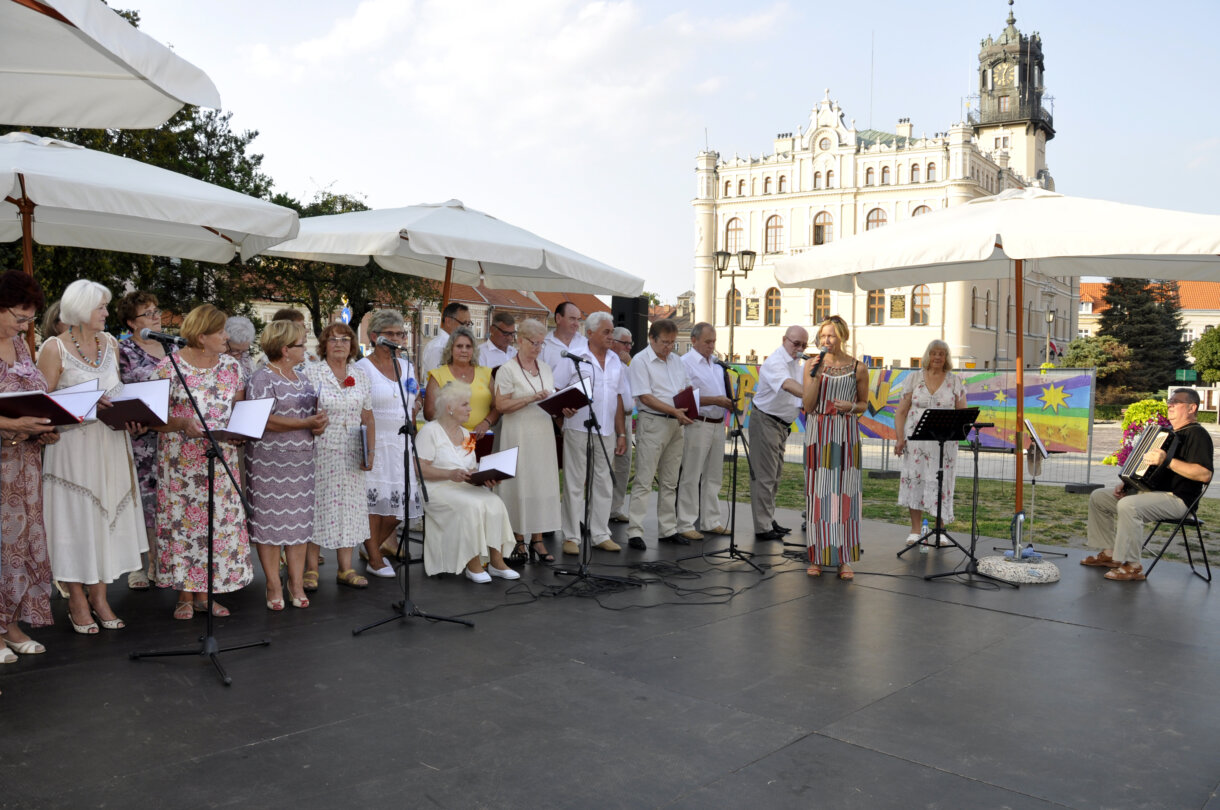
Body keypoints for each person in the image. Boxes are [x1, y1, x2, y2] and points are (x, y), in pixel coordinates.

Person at [39, 280, 147, 634]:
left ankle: (100, 597)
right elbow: (42, 408)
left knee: (104, 520)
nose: (106, 312)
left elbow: (117, 391)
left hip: (110, 442)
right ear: (81, 309)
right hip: (73, 448)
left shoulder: (111, 342)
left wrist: (133, 414)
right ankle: (77, 599)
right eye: (101, 306)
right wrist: (84, 403)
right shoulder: (53, 347)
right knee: (76, 522)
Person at [152, 304, 252, 620]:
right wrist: (182, 423)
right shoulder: (168, 367)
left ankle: (206, 595)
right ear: (201, 336)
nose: (226, 337)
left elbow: (238, 412)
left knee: (214, 527)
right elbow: (152, 418)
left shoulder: (232, 367)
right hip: (181, 465)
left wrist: (240, 433)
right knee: (185, 527)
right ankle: (184, 595)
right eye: (220, 331)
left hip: (220, 463)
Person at [1083, 388, 1214, 582]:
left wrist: (1167, 461)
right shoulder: (1168, 433)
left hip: (1178, 500)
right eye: (1170, 401)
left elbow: (1204, 474)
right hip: (1152, 494)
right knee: (1099, 497)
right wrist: (1127, 484)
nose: (1170, 404)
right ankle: (1110, 554)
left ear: (1192, 408)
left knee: (1129, 505)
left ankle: (1133, 566)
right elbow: (1149, 470)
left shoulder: (1198, 435)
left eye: (1176, 402)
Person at [245, 321, 327, 610]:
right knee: (269, 528)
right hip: (269, 464)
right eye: (301, 344)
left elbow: (311, 416)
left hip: (301, 463)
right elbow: (263, 420)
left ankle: (296, 583)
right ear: (284, 349)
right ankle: (273, 585)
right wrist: (304, 423)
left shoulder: (302, 378)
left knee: (298, 527)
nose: (306, 348)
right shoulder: (261, 379)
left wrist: (318, 424)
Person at [0, 270, 58, 657]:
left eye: (30, 319)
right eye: (20, 317)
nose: (24, 326)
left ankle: (9, 623)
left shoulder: (20, 345)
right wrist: (11, 424)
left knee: (16, 546)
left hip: (23, 464)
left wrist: (43, 429)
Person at [416, 381, 520, 583]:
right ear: (449, 408)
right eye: (465, 404)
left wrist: (484, 478)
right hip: (437, 489)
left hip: (463, 487)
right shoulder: (430, 431)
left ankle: (497, 562)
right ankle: (473, 565)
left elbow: (469, 468)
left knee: (495, 502)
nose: (470, 409)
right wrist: (449, 474)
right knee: (472, 507)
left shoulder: (466, 434)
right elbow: (419, 468)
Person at [302, 322, 376, 591]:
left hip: (353, 450)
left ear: (352, 345)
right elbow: (302, 414)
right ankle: (311, 568)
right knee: (317, 506)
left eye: (345, 340)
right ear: (324, 344)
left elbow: (368, 416)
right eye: (333, 339)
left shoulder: (360, 375)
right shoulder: (312, 373)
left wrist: (370, 451)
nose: (339, 344)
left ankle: (346, 568)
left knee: (350, 508)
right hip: (320, 449)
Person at [552, 311, 627, 555]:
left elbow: (617, 398)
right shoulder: (574, 357)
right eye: (606, 332)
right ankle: (571, 536)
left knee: (603, 483)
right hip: (577, 429)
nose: (611, 336)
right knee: (574, 483)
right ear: (591, 333)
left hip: (606, 431)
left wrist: (622, 434)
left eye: (612, 332)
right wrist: (562, 411)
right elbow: (556, 388)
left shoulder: (616, 361)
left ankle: (600, 534)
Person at [356, 310, 422, 578]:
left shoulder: (407, 366)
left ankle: (372, 544)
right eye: (390, 334)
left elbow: (413, 399)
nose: (396, 339)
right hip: (376, 443)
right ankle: (374, 557)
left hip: (402, 444)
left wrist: (416, 408)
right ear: (374, 336)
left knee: (399, 507)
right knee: (374, 506)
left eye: (400, 334)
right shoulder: (362, 368)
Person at [802, 316, 869, 580]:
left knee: (845, 493)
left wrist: (850, 407)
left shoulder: (858, 368)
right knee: (818, 494)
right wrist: (817, 377)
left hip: (846, 432)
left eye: (830, 335)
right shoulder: (811, 365)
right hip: (818, 431)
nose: (826, 340)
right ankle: (817, 557)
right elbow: (808, 405)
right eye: (822, 335)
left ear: (842, 336)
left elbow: (864, 404)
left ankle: (844, 560)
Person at [492, 317, 561, 563]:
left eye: (542, 343)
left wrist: (562, 406)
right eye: (534, 342)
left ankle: (538, 539)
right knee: (520, 483)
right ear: (520, 341)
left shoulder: (546, 368)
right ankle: (519, 538)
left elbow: (551, 398)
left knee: (541, 484)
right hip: (518, 433)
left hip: (542, 433)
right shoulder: (507, 369)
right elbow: (501, 405)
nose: (538, 348)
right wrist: (530, 398)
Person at [116, 290, 169, 589]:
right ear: (131, 322)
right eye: (147, 313)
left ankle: (166, 561)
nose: (155, 316)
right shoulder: (123, 350)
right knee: (144, 502)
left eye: (156, 310)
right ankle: (140, 564)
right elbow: (119, 391)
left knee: (169, 500)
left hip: (174, 434)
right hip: (141, 437)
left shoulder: (174, 347)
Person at [626, 318, 692, 549]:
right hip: (653, 422)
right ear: (651, 339)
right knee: (644, 479)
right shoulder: (640, 361)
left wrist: (686, 404)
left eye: (672, 342)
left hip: (676, 423)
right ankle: (635, 531)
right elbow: (645, 397)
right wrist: (674, 410)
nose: (669, 347)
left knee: (670, 480)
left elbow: (686, 387)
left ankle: (668, 529)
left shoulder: (676, 360)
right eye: (665, 342)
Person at [894, 340, 968, 546]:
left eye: (941, 354)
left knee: (941, 482)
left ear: (946, 357)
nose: (937, 357)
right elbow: (901, 412)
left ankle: (940, 529)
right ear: (928, 355)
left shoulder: (954, 381)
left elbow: (963, 413)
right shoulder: (914, 378)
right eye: (934, 353)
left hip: (944, 443)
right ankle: (915, 530)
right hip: (916, 441)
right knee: (915, 480)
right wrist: (899, 438)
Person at [749, 326, 807, 542]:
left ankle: (767, 518)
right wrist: (813, 396)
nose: (800, 349)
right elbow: (789, 386)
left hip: (780, 425)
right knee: (765, 476)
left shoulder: (795, 363)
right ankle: (762, 526)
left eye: (804, 345)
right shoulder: (776, 361)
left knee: (774, 476)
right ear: (784, 340)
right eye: (796, 343)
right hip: (766, 421)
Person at [676, 323, 732, 539]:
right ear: (694, 340)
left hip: (718, 423)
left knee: (713, 476)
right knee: (691, 474)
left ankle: (711, 521)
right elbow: (683, 396)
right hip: (698, 423)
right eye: (707, 341)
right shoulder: (685, 363)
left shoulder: (717, 365)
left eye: (714, 341)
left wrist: (727, 401)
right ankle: (686, 523)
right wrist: (715, 399)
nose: (711, 345)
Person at [423, 326, 498, 439]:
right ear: (450, 349)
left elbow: (497, 407)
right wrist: (452, 424)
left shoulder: (486, 373)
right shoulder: (437, 375)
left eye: (468, 346)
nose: (464, 350)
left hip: (482, 436)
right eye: (459, 346)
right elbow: (429, 412)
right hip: (448, 437)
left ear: (473, 350)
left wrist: (486, 422)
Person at [609, 326, 635, 523]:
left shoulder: (629, 364)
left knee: (623, 465)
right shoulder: (608, 362)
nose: (628, 347)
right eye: (624, 343)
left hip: (626, 417)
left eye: (630, 343)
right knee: (605, 466)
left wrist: (629, 363)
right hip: (610, 418)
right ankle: (597, 510)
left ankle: (616, 508)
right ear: (613, 343)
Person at [420, 302, 472, 383]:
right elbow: (439, 381)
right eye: (464, 323)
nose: (467, 328)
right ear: (448, 322)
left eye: (468, 324)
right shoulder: (438, 348)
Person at [541, 301, 588, 372]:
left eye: (578, 319)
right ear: (558, 318)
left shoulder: (585, 343)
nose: (577, 324)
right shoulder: (543, 346)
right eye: (572, 319)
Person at [224, 315, 258, 382]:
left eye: (244, 351)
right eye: (235, 351)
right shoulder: (214, 361)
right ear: (224, 341)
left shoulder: (247, 360)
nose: (239, 357)